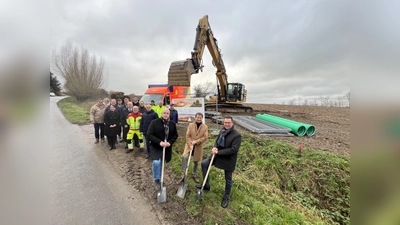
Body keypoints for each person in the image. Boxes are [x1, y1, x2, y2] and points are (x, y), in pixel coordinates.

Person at [196, 116, 242, 208]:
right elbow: (217, 142)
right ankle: (206, 185)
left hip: (229, 159)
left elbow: (233, 149)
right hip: (217, 156)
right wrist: (214, 147)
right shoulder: (222, 131)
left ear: (232, 123)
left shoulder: (237, 135)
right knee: (204, 164)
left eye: (229, 123)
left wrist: (218, 152)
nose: (227, 124)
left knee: (228, 179)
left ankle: (226, 197)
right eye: (225, 122)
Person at [147, 109, 178, 191]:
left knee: (162, 164)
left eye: (167, 113)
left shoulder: (172, 124)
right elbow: (149, 135)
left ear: (169, 114)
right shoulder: (154, 122)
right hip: (156, 146)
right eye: (164, 113)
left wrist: (170, 142)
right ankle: (156, 180)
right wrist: (159, 142)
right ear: (161, 113)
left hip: (166, 148)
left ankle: (161, 179)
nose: (166, 114)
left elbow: (175, 135)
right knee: (156, 162)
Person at [176, 112, 208, 185]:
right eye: (197, 117)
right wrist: (190, 144)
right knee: (185, 157)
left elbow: (205, 137)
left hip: (198, 147)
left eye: (200, 117)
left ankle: (194, 174)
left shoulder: (205, 127)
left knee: (196, 161)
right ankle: (183, 175)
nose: (199, 119)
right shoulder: (191, 125)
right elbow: (188, 136)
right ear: (195, 117)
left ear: (202, 118)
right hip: (189, 145)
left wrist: (196, 141)